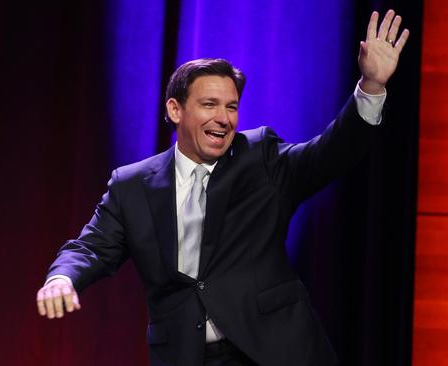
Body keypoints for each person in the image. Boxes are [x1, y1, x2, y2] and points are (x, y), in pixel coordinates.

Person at [36, 9, 409, 366]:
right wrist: (62, 277)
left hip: (276, 349)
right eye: (210, 104)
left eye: (231, 107)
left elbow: (330, 154)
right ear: (175, 110)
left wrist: (372, 86)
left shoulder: (260, 157)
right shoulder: (132, 185)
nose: (223, 119)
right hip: (189, 354)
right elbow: (91, 246)